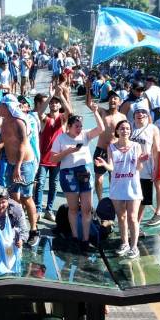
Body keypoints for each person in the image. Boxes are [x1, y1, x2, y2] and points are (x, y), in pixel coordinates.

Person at [0, 97, 40, 245]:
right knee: (13, 197)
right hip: (12, 163)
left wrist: (18, 167)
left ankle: (33, 230)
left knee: (26, 197)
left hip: (24, 164)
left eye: (1, 106)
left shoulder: (19, 122)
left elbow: (23, 145)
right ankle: (18, 228)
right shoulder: (5, 122)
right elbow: (0, 142)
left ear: (7, 107)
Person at [47, 102, 106, 250]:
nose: (79, 129)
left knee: (86, 208)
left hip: (84, 171)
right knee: (73, 208)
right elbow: (52, 159)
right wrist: (69, 151)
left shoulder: (85, 135)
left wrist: (95, 112)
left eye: (80, 126)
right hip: (68, 174)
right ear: (69, 126)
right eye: (76, 126)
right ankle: (75, 237)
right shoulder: (61, 139)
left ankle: (85, 239)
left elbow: (101, 129)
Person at [95, 119, 151, 258]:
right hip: (117, 186)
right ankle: (124, 243)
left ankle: (134, 246)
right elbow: (111, 167)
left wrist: (140, 161)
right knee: (121, 217)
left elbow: (138, 168)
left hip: (132, 186)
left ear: (130, 131)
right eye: (122, 128)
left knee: (132, 217)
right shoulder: (111, 147)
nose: (125, 130)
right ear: (117, 131)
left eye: (127, 128)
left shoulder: (136, 146)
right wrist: (104, 164)